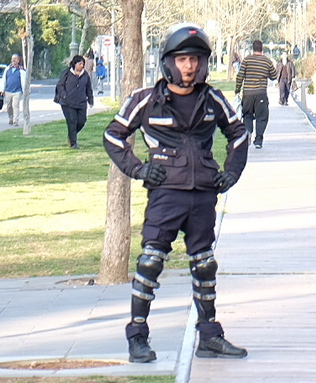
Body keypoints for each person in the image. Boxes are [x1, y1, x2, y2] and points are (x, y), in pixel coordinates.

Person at [103, 23, 249, 363]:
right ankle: (137, 337)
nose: (190, 66)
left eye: (196, 59)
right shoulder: (145, 100)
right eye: (183, 59)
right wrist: (137, 169)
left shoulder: (212, 97)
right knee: (151, 261)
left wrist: (231, 173)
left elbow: (238, 133)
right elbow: (113, 136)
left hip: (202, 194)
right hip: (165, 194)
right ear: (168, 61)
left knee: (204, 263)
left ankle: (210, 336)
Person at [235, 40, 277, 149]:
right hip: (261, 93)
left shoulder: (247, 60)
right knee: (262, 117)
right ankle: (258, 140)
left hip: (248, 93)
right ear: (262, 49)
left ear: (253, 48)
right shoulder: (266, 61)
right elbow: (274, 75)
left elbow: (240, 76)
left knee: (247, 115)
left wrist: (237, 89)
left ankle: (248, 133)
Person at [55, 55, 93, 149]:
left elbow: (89, 88)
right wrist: (63, 94)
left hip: (81, 102)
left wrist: (90, 100)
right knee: (72, 121)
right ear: (75, 64)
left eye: (83, 64)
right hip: (68, 102)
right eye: (80, 64)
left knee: (81, 121)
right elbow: (60, 85)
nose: (82, 66)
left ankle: (72, 135)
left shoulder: (85, 75)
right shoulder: (67, 73)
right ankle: (73, 143)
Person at [0, 54, 26, 126]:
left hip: (17, 91)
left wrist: (25, 91)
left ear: (18, 60)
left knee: (15, 105)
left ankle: (16, 120)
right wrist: (2, 90)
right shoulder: (8, 69)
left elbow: (24, 81)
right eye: (12, 59)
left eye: (15, 59)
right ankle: (11, 118)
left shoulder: (21, 70)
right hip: (8, 90)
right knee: (9, 106)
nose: (13, 60)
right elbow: (4, 80)